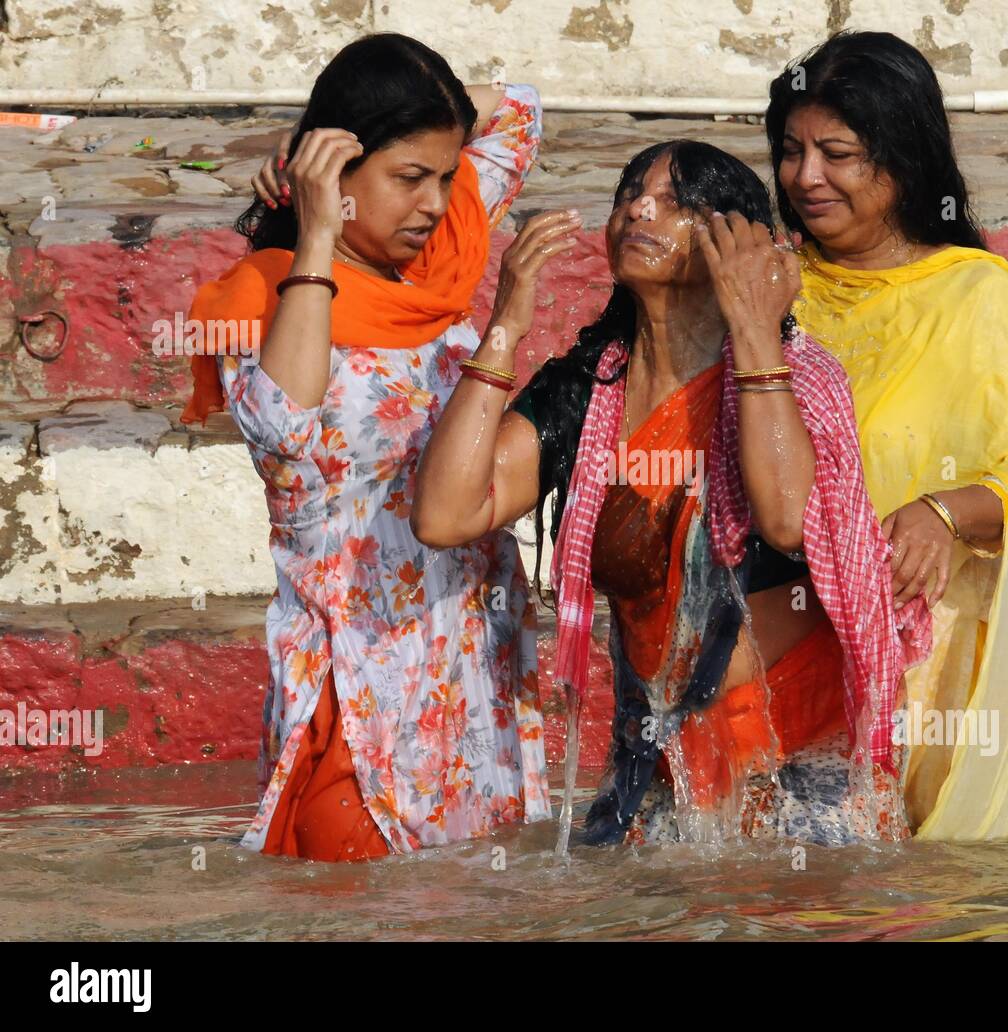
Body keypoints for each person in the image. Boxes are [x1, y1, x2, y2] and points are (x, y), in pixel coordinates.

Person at [410, 140, 930, 847]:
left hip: (800, 775)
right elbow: (445, 515)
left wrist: (752, 324)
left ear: (737, 243)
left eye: (678, 201)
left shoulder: (798, 377)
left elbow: (785, 520)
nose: (639, 209)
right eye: (629, 194)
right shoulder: (584, 393)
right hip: (654, 779)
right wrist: (504, 326)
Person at [179, 33, 550, 860]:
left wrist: (413, 129)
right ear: (335, 178)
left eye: (447, 175)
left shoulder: (437, 260)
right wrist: (315, 235)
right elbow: (282, 432)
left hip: (465, 659)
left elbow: (520, 105)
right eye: (408, 177)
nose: (433, 201)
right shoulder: (263, 294)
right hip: (355, 683)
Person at [766, 30, 1008, 839]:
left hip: (932, 669)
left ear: (900, 158)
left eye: (838, 153)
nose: (806, 177)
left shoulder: (975, 295)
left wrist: (942, 512)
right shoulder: (774, 289)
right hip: (791, 651)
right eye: (792, 151)